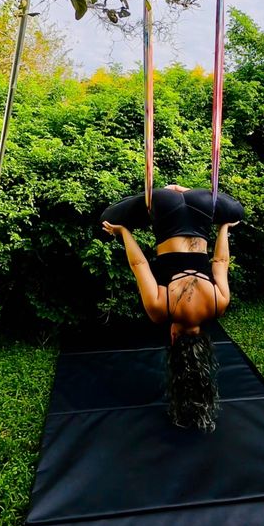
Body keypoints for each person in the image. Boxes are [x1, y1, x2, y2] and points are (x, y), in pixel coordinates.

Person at [100, 185, 244, 432]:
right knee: (106, 219)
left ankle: (184, 193)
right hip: (164, 206)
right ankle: (169, 194)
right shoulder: (160, 311)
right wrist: (123, 231)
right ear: (174, 337)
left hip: (201, 207)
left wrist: (223, 228)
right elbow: (138, 263)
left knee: (236, 211)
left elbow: (220, 261)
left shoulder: (219, 305)